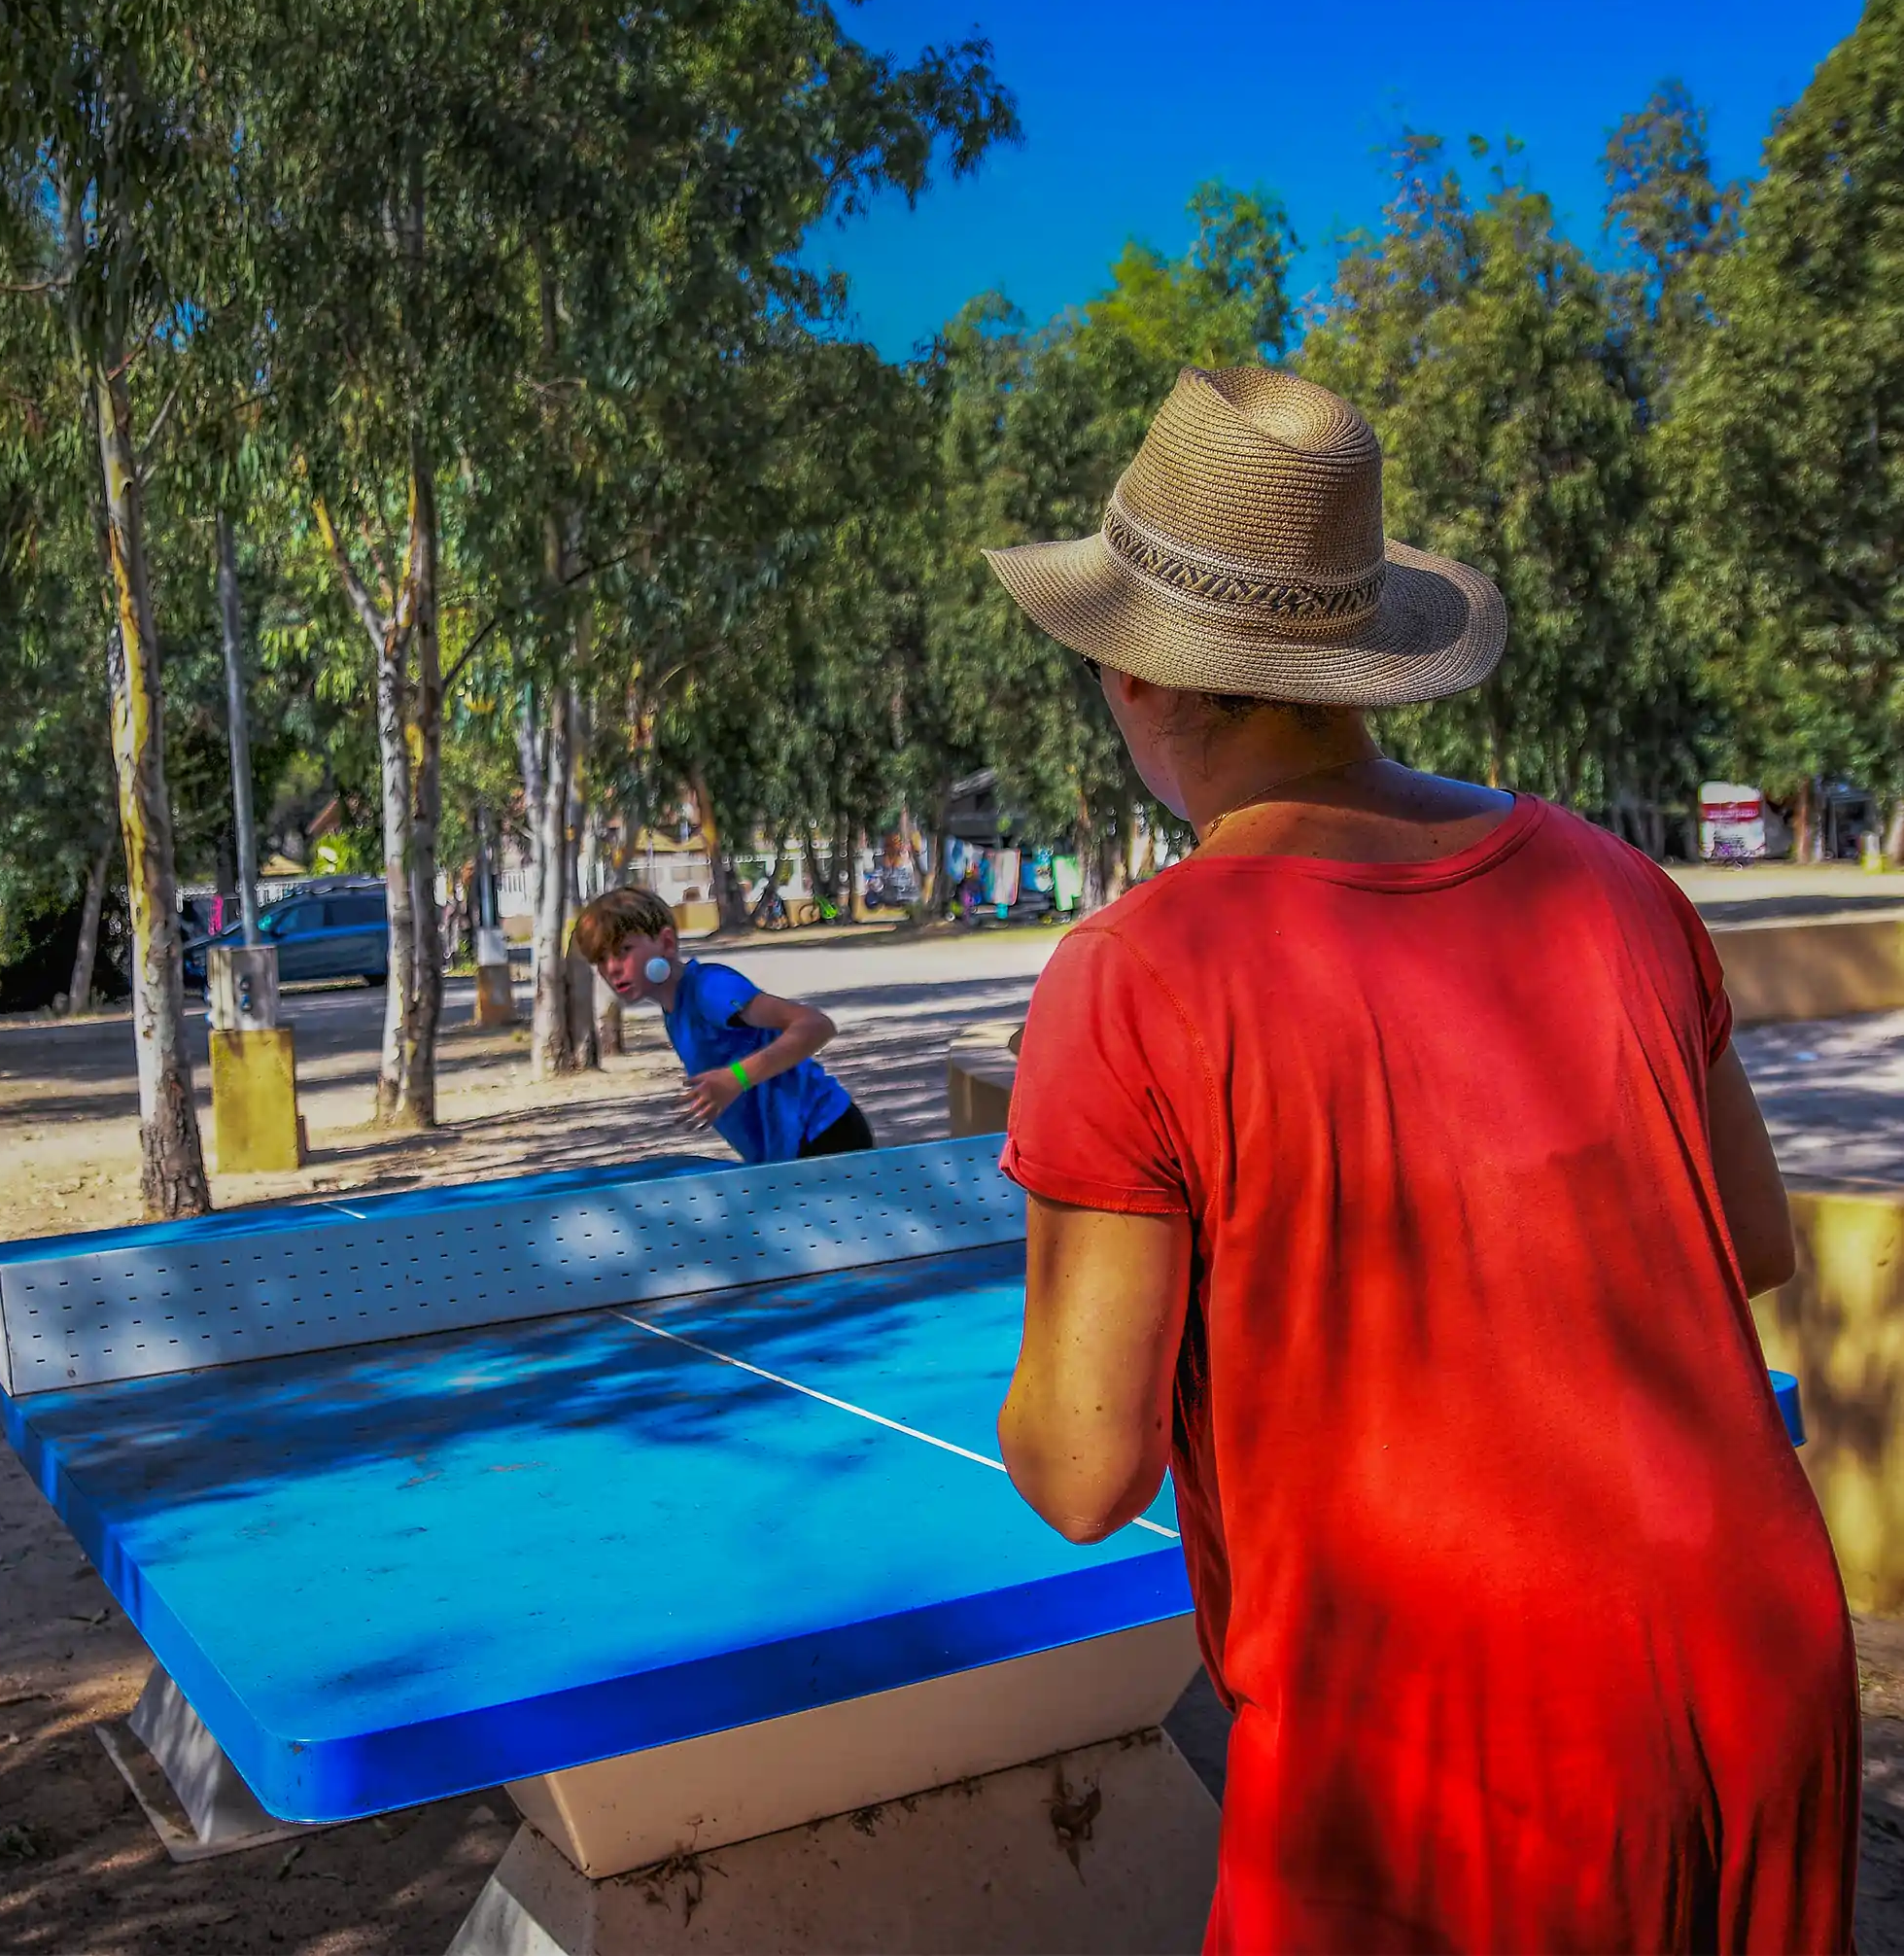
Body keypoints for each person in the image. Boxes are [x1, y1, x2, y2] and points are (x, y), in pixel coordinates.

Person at [987, 366, 1858, 1953]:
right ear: (1363, 659)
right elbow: (1740, 1238)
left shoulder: (1131, 971)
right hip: (1755, 1669)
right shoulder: (1612, 882)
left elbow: (1077, 1465)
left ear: (1131, 677)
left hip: (1428, 1750)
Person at [572, 886, 875, 1162]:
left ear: (666, 943)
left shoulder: (709, 989)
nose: (611, 968)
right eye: (601, 958)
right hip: (788, 1152)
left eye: (623, 950)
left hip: (825, 1133)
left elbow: (815, 1025)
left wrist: (735, 1079)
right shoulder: (675, 1009)